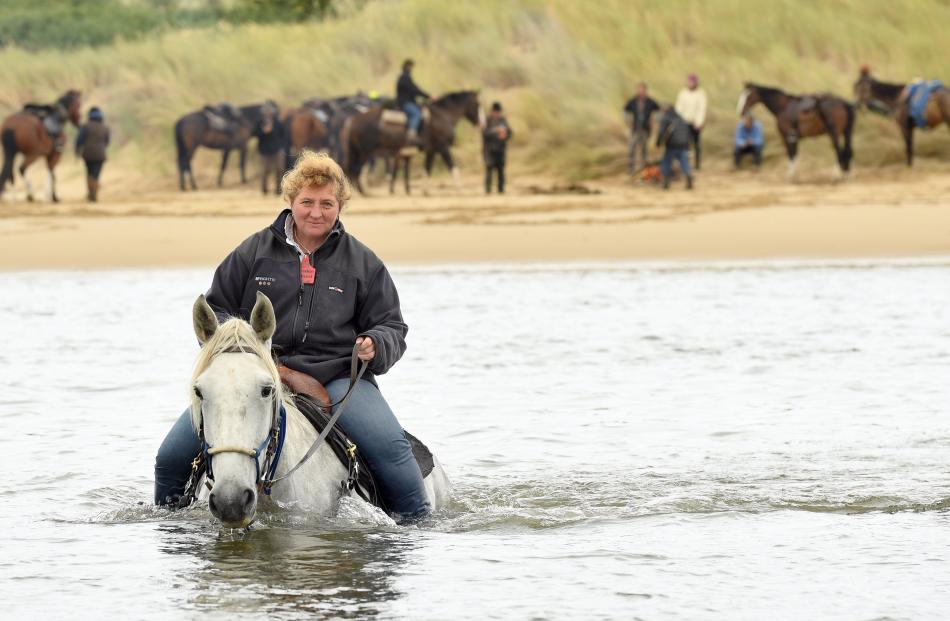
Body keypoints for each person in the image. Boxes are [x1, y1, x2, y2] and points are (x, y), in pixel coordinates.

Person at [154, 150, 430, 523]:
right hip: (259, 373)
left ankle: (420, 525)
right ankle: (170, 528)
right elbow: (217, 309)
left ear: (340, 206)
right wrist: (238, 341)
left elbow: (392, 325)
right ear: (290, 202)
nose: (316, 212)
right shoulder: (253, 252)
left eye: (327, 203)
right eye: (307, 202)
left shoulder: (363, 263)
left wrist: (376, 343)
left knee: (392, 449)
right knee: (170, 457)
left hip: (337, 377)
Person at [623, 82, 660, 174]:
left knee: (644, 149)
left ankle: (643, 168)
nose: (640, 92)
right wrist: (627, 121)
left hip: (645, 129)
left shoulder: (650, 102)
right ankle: (631, 168)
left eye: (642, 90)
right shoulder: (633, 101)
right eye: (639, 90)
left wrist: (654, 121)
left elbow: (658, 110)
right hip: (635, 129)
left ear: (645, 91)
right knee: (632, 148)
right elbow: (625, 110)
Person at [74, 106, 110, 202]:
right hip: (100, 155)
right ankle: (94, 193)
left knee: (89, 173)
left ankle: (91, 193)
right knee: (96, 174)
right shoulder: (105, 127)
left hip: (88, 154)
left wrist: (77, 151)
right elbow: (107, 141)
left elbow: (79, 140)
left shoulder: (85, 126)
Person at [674, 74, 707, 171]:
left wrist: (699, 122)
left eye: (692, 82)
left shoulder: (701, 94)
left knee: (696, 144)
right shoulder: (683, 93)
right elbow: (679, 108)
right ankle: (685, 164)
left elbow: (701, 109)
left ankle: (697, 165)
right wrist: (679, 121)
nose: (690, 84)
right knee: (684, 144)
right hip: (684, 123)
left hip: (695, 123)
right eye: (689, 82)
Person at [656, 105, 693, 190]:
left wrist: (658, 143)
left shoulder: (666, 118)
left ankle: (665, 181)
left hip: (672, 144)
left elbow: (661, 132)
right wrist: (688, 145)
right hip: (683, 144)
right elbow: (688, 132)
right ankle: (688, 174)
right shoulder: (681, 118)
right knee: (684, 162)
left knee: (666, 162)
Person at [395, 59, 430, 144]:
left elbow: (414, 89)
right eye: (410, 66)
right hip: (404, 103)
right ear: (406, 66)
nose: (411, 68)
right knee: (416, 113)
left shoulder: (406, 77)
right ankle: (411, 133)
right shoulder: (404, 78)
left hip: (408, 102)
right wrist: (427, 96)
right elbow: (414, 89)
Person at [253, 100, 284, 195]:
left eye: (270, 111)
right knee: (265, 171)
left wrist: (281, 145)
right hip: (264, 150)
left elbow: (282, 133)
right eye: (266, 111)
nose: (268, 113)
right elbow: (254, 133)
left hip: (277, 148)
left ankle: (278, 189)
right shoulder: (259, 122)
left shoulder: (277, 121)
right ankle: (264, 190)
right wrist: (263, 132)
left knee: (279, 169)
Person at [483, 101, 512, 194]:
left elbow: (510, 133)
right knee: (489, 170)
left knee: (501, 171)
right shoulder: (487, 121)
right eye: (495, 112)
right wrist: (495, 130)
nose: (496, 114)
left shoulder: (503, 120)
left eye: (498, 112)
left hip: (500, 150)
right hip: (489, 150)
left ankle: (501, 190)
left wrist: (505, 135)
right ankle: (488, 191)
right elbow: (484, 133)